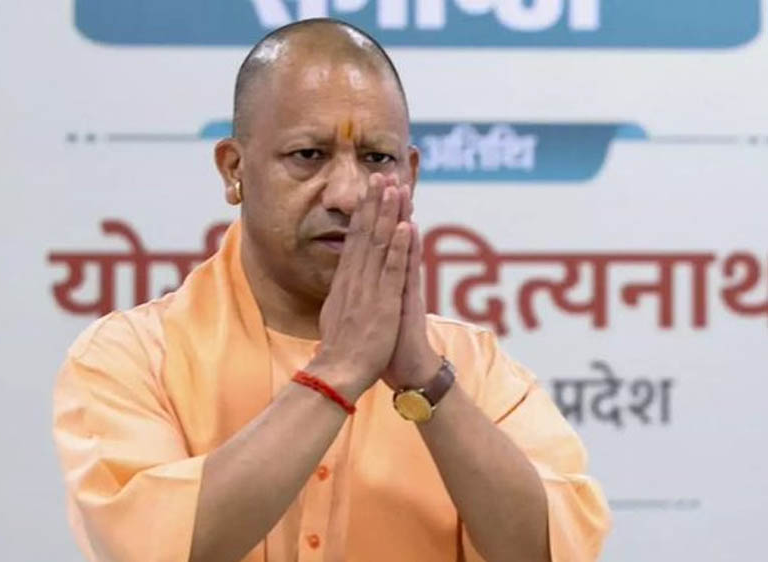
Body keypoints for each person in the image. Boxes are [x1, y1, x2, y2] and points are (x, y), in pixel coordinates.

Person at [53, 18, 610, 562]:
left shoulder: (472, 369)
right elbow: (154, 548)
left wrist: (425, 382)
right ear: (234, 169)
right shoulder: (132, 358)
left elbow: (549, 552)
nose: (347, 193)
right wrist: (338, 373)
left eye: (376, 159)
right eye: (308, 156)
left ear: (410, 174)